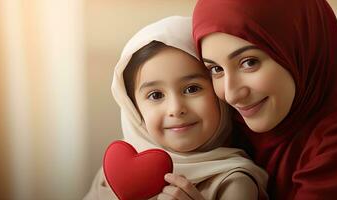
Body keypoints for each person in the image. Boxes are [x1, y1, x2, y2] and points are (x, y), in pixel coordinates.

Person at [192, 0, 337, 199]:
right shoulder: (228, 131)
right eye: (216, 69)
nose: (231, 94)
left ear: (302, 46)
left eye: (249, 62)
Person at [84, 16, 268, 200]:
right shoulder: (115, 170)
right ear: (134, 108)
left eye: (192, 89)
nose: (176, 108)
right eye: (156, 95)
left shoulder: (234, 182)